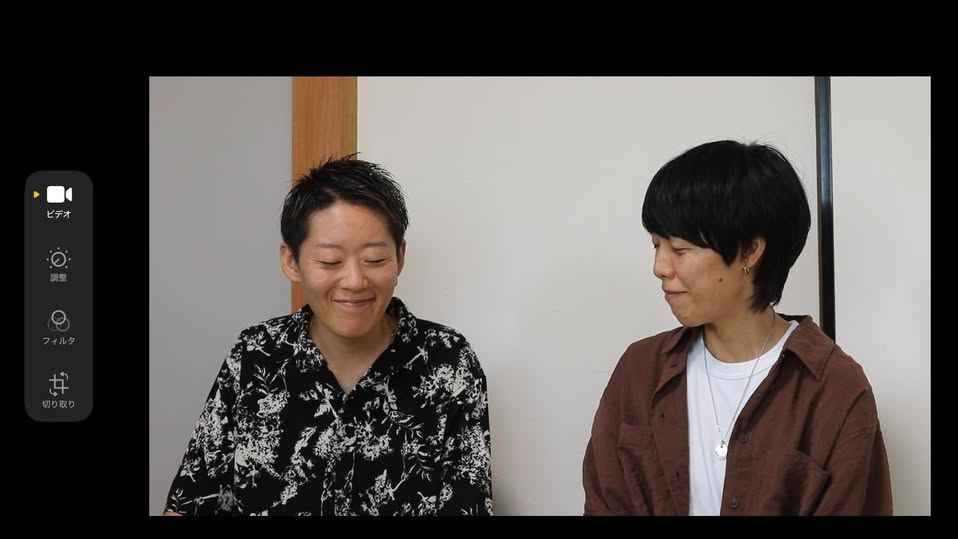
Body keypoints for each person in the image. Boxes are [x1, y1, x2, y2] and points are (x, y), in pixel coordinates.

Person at [164, 156, 493, 515]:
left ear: (400, 257)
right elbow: (190, 501)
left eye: (374, 260)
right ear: (291, 262)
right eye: (330, 262)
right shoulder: (255, 355)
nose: (354, 281)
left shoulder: (448, 360)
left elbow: (469, 502)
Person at [582, 140, 892, 515]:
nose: (660, 267)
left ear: (749, 252)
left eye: (679, 250)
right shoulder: (640, 370)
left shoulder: (834, 390)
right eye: (656, 245)